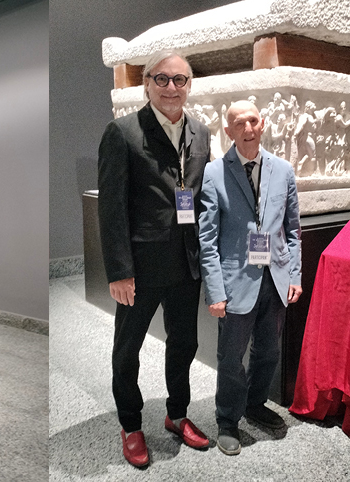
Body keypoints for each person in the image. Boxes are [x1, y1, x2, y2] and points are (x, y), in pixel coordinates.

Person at [97, 50, 212, 468]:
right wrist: (120, 271)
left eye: (179, 80)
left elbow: (199, 200)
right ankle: (130, 424)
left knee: (184, 344)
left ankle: (176, 414)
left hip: (186, 264)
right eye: (161, 79)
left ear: (189, 85)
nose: (170, 88)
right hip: (140, 269)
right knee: (127, 350)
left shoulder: (201, 133)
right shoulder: (123, 132)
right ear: (147, 83)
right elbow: (111, 209)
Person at [197, 100, 303, 455]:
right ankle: (227, 420)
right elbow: (207, 238)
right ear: (228, 131)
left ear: (263, 124)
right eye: (238, 123)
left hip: (275, 279)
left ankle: (255, 404)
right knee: (230, 358)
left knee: (269, 351)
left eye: (253, 120)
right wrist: (215, 290)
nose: (247, 128)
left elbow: (293, 231)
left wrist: (295, 275)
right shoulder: (214, 172)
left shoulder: (284, 170)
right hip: (234, 283)